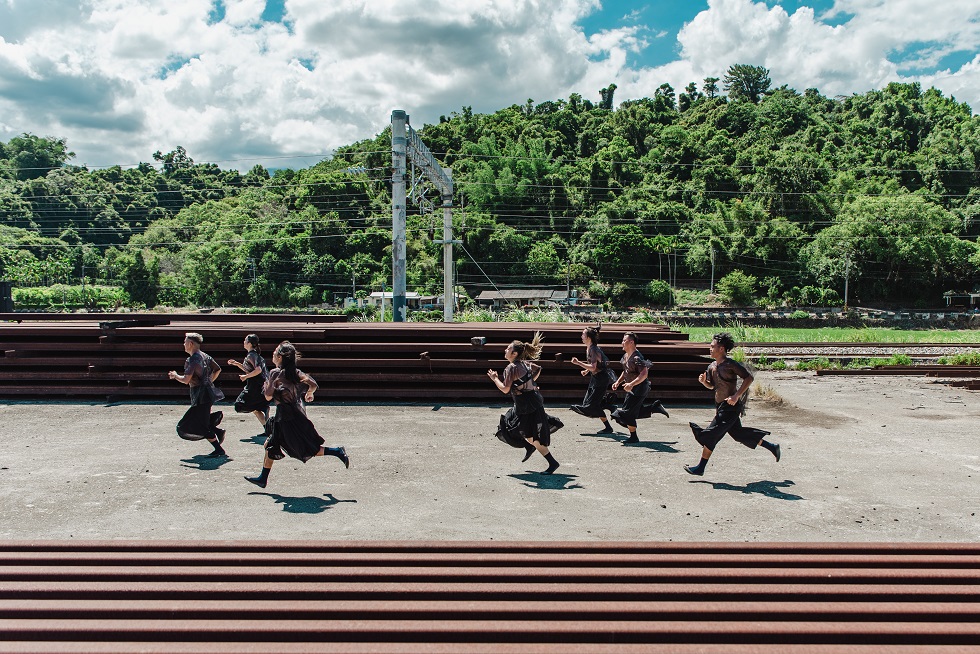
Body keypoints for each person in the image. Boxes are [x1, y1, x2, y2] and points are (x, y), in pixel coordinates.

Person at [245, 341, 349, 488]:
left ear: (280, 357)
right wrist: (309, 393)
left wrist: (268, 386)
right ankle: (263, 478)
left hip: (286, 418)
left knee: (305, 448)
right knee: (270, 445)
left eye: (275, 353)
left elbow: (268, 397)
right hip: (292, 415)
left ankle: (336, 451)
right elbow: (313, 384)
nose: (273, 355)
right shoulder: (296, 372)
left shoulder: (275, 373)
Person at [684, 332, 780, 476]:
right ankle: (772, 447)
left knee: (711, 434)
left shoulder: (730, 364)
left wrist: (736, 396)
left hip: (731, 407)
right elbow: (712, 386)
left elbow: (749, 378)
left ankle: (700, 468)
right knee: (738, 434)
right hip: (720, 406)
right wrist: (704, 382)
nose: (710, 349)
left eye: (712, 347)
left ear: (721, 349)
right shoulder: (711, 366)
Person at [487, 332, 562, 474]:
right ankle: (531, 448)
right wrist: (529, 383)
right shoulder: (523, 364)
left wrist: (494, 378)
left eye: (508, 349)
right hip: (529, 402)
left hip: (527, 406)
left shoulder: (511, 368)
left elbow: (504, 389)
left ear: (514, 353)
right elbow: (538, 369)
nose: (505, 350)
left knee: (519, 432)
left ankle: (552, 462)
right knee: (513, 427)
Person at [168, 332, 226, 457]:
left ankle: (219, 449)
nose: (183, 344)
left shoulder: (193, 359)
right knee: (200, 420)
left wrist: (175, 375)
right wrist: (209, 381)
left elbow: (186, 380)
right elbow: (218, 369)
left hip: (201, 394)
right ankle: (217, 431)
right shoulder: (204, 355)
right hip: (207, 393)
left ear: (191, 343)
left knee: (189, 424)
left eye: (185, 342)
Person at [610, 331, 669, 444]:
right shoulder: (626, 356)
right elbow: (626, 371)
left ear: (631, 342)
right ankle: (654, 407)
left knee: (628, 412)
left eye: (624, 340)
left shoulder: (637, 357)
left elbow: (644, 374)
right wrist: (617, 382)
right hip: (633, 388)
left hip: (640, 388)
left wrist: (631, 384)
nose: (622, 342)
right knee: (635, 411)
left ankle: (634, 437)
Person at [569, 323, 615, 434]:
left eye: (583, 334)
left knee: (592, 405)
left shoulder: (593, 349)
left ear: (588, 337)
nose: (581, 337)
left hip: (601, 379)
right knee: (589, 404)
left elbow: (594, 367)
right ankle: (607, 409)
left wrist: (578, 363)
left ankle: (608, 413)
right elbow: (594, 366)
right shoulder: (590, 348)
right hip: (596, 378)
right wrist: (586, 370)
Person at [228, 334, 270, 436]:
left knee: (240, 404)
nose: (244, 342)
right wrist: (237, 364)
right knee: (256, 409)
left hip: (255, 385)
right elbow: (249, 370)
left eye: (245, 340)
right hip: (257, 384)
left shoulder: (252, 355)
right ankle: (268, 430)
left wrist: (246, 377)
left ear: (250, 343)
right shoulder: (252, 355)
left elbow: (258, 370)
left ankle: (265, 411)